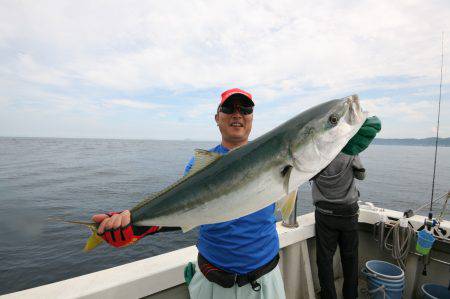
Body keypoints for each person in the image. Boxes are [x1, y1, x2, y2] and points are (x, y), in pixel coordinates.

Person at [92, 88, 287, 299]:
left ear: (252, 118)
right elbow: (183, 209)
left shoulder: (278, 157)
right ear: (217, 118)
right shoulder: (200, 165)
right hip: (214, 284)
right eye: (229, 108)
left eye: (246, 109)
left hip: (265, 280)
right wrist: (137, 226)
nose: (237, 114)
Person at [311, 116, 381, 299]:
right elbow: (361, 175)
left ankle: (328, 296)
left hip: (324, 213)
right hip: (348, 212)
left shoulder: (319, 156)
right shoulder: (350, 151)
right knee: (349, 258)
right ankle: (350, 295)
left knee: (324, 259)